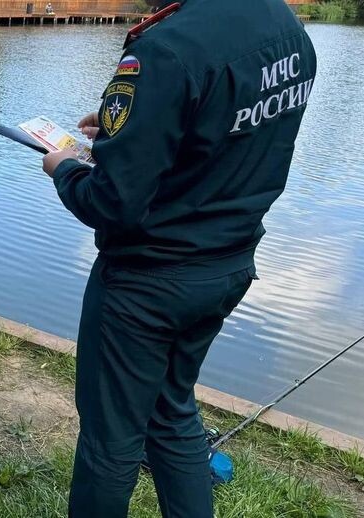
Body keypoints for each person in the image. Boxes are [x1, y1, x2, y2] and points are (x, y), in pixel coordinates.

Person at [40, 0, 316, 516]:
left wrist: (63, 169)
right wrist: (139, 128)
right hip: (227, 266)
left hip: (147, 284)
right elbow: (233, 135)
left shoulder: (165, 49)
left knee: (111, 440)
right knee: (172, 414)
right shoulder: (286, 28)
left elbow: (113, 204)